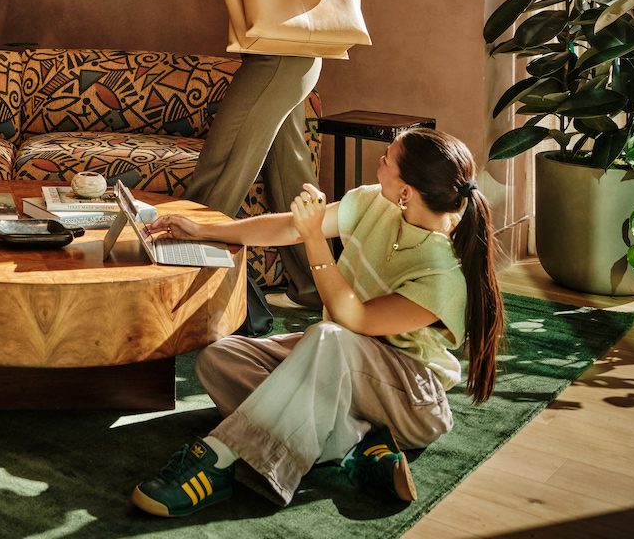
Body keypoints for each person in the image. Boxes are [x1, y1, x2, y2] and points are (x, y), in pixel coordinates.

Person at [132, 128, 503, 517]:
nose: (379, 161)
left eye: (386, 159)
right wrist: (207, 229)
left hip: (409, 398)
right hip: (339, 362)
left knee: (331, 335)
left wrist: (315, 239)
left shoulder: (444, 274)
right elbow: (288, 227)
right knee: (219, 359)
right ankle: (355, 441)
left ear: (407, 191)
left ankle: (219, 458)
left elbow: (352, 319)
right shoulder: (375, 202)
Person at [182, 0, 347, 307]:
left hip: (287, 57)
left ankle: (175, 273)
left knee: (222, 164)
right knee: (288, 172)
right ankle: (316, 288)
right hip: (266, 53)